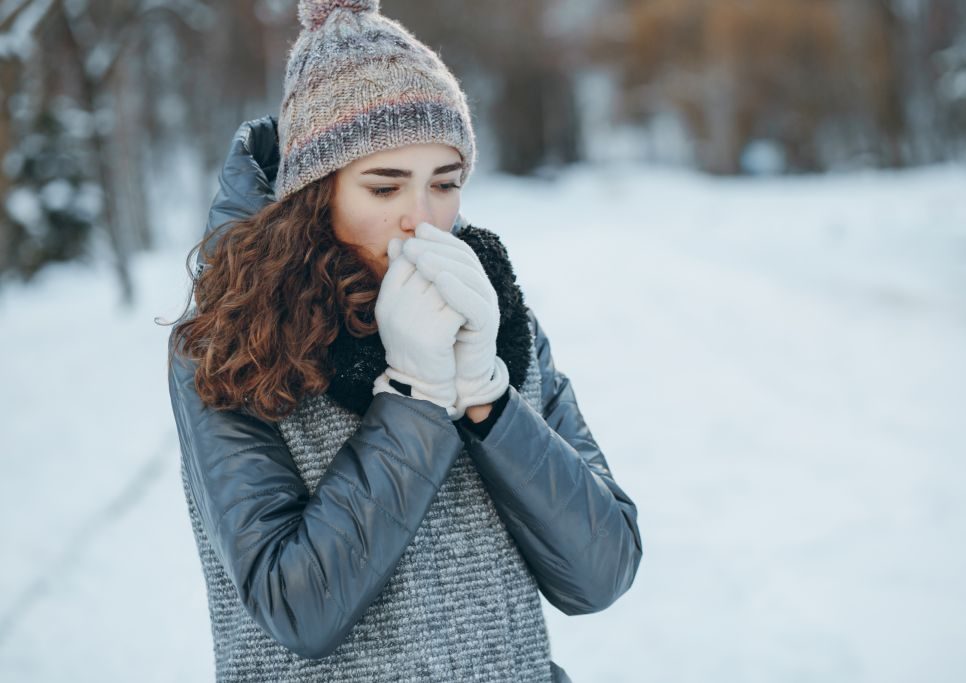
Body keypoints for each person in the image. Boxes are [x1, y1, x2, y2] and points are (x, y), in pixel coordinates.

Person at [165, 1, 642, 681]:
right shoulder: (232, 339)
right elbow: (295, 604)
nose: (423, 221)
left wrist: (489, 397)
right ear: (315, 192)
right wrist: (416, 398)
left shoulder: (498, 320)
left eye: (445, 184)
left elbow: (602, 571)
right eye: (384, 186)